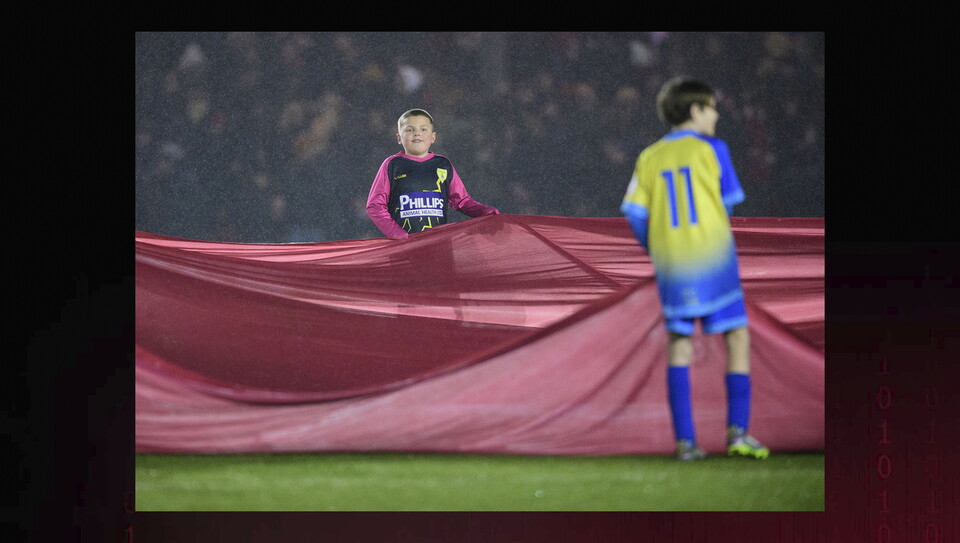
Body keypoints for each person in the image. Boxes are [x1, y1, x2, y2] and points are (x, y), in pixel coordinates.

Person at [620, 77, 769, 461]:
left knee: (680, 344)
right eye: (712, 107)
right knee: (736, 336)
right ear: (695, 111)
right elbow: (728, 205)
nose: (716, 115)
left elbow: (634, 212)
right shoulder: (714, 149)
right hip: (714, 258)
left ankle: (686, 442)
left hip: (674, 264)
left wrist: (659, 249)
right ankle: (738, 432)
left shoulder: (650, 155)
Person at [366, 108, 500, 239]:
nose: (417, 133)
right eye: (409, 129)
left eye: (423, 129)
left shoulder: (443, 164)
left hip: (438, 247)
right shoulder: (392, 165)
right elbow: (375, 206)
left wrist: (484, 211)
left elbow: (462, 201)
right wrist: (396, 233)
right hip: (402, 249)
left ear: (433, 137)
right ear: (399, 138)